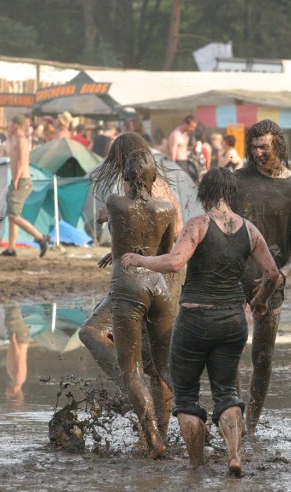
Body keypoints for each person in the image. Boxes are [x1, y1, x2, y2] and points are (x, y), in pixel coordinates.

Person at [122, 168, 280, 476]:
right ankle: (234, 456)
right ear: (231, 194)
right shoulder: (250, 230)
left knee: (186, 397)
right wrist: (259, 301)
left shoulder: (199, 224)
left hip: (195, 321)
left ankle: (196, 467)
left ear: (205, 193)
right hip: (233, 321)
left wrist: (138, 260)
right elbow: (273, 275)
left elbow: (174, 261)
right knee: (225, 391)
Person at [79, 133, 183, 452]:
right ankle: (160, 431)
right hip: (160, 280)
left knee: (125, 359)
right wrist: (124, 247)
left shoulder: (117, 199)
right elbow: (162, 245)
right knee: (159, 366)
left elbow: (161, 231)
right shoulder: (160, 199)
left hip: (137, 283)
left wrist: (123, 240)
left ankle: (150, 429)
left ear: (124, 163)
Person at [234, 119, 291, 435]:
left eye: (264, 147)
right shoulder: (235, 181)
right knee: (230, 349)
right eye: (253, 147)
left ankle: (251, 424)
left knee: (263, 356)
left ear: (278, 147)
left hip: (272, 281)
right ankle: (233, 417)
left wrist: (282, 274)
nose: (258, 153)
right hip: (232, 278)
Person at [104, 148, 176, 460]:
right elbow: (167, 250)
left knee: (131, 370)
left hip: (128, 286)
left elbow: (117, 236)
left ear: (125, 179)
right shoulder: (166, 209)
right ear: (154, 178)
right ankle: (192, 419)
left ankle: (153, 438)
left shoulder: (114, 203)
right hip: (159, 287)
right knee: (164, 368)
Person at [0, 115, 50, 258]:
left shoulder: (22, 141)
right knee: (12, 216)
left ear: (15, 125)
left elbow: (21, 162)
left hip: (22, 181)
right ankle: (11, 249)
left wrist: (15, 180)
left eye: (10, 124)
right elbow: (7, 151)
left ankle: (40, 238)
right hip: (17, 181)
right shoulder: (14, 139)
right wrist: (8, 136)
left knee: (13, 215)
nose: (8, 127)